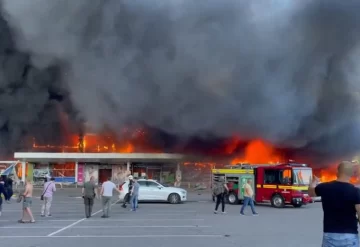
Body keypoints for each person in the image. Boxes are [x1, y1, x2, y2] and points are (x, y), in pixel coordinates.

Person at [308, 161, 360, 246]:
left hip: (330, 236)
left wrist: (314, 181)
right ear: (351, 175)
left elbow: (311, 192)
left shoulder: (325, 187)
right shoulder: (355, 192)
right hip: (350, 236)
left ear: (337, 172)